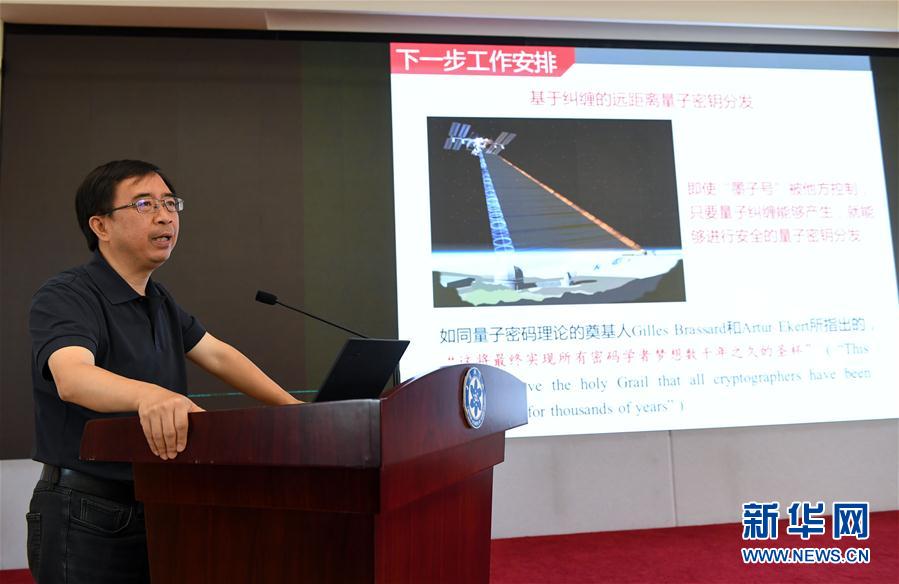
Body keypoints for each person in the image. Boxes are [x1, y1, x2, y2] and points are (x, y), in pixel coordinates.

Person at [25, 160, 301, 583]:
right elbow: (72, 376)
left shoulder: (159, 299)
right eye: (144, 204)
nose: (164, 215)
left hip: (160, 503)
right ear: (100, 225)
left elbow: (218, 355)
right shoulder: (67, 294)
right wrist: (150, 395)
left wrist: (293, 409)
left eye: (170, 203)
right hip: (85, 511)